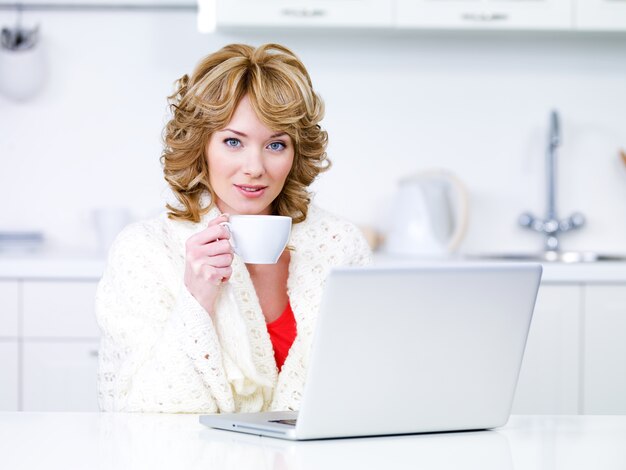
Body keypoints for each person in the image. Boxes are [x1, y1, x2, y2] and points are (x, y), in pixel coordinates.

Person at [96, 43, 371, 414]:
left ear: (296, 154)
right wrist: (197, 298)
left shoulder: (338, 247)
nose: (254, 167)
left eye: (276, 144)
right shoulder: (145, 251)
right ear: (201, 146)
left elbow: (365, 384)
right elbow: (138, 412)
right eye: (233, 142)